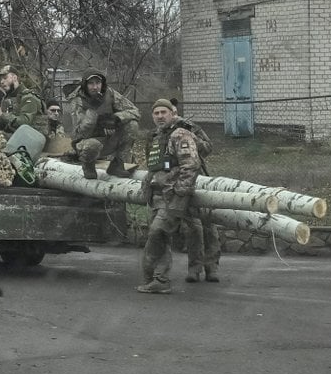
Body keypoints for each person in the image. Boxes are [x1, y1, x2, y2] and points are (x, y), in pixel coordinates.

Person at [137, 98, 203, 294]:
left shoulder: (180, 135)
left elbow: (191, 165)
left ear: (172, 114)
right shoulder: (157, 136)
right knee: (159, 236)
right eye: (156, 113)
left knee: (158, 232)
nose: (159, 116)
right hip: (158, 195)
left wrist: (180, 191)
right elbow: (155, 166)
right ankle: (156, 279)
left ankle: (159, 278)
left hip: (173, 196)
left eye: (163, 112)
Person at [170, 98, 219, 283]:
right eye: (170, 113)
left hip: (199, 179)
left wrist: (191, 139)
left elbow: (208, 148)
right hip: (177, 182)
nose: (174, 116)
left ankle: (212, 267)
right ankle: (194, 268)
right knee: (193, 228)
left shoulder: (191, 128)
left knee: (209, 226)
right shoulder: (162, 133)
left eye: (175, 113)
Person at [66, 68, 139, 179]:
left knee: (132, 125)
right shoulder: (77, 100)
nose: (95, 87)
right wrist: (94, 112)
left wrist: (116, 119)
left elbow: (135, 111)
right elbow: (80, 133)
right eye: (91, 83)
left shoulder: (109, 93)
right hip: (86, 144)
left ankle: (117, 164)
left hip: (108, 140)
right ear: (85, 85)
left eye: (98, 83)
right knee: (92, 145)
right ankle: (88, 166)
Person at [0, 64, 45, 133]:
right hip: (13, 137)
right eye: (1, 79)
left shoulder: (29, 97)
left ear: (14, 78)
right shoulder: (6, 99)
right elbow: (2, 127)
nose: (2, 82)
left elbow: (25, 123)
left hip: (30, 137)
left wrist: (2, 115)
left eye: (5, 78)